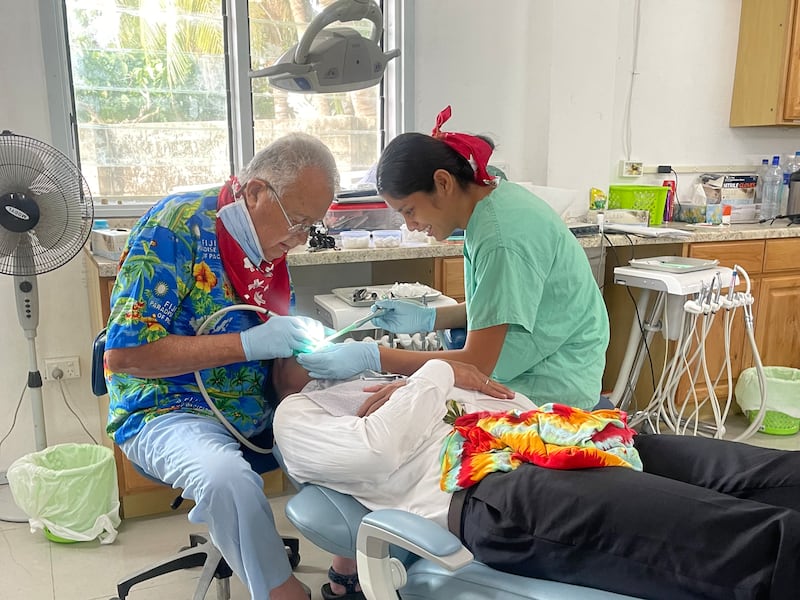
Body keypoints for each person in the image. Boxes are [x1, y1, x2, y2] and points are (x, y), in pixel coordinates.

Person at [272, 357, 800, 600]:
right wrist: (437, 373)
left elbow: (515, 403)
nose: (309, 348)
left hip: (565, 439)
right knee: (747, 537)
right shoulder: (299, 415)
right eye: (292, 348)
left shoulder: (398, 380)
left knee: (767, 473)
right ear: (276, 375)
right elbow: (374, 451)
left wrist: (419, 380)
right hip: (495, 488)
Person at [103, 132, 340, 600]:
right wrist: (248, 344)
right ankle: (279, 590)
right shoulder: (176, 226)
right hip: (167, 408)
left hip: (253, 410)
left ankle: (349, 565)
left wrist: (321, 362)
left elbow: (282, 371)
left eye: (310, 227)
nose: (298, 239)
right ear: (255, 192)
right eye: (296, 220)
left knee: (346, 433)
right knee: (225, 478)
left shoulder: (270, 249)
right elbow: (126, 355)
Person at [297, 105, 609, 414]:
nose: (411, 226)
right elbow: (499, 308)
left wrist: (376, 357)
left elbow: (477, 364)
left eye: (409, 211)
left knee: (400, 411)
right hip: (531, 364)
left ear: (443, 182)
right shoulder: (491, 207)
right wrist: (431, 318)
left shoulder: (502, 237)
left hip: (550, 386)